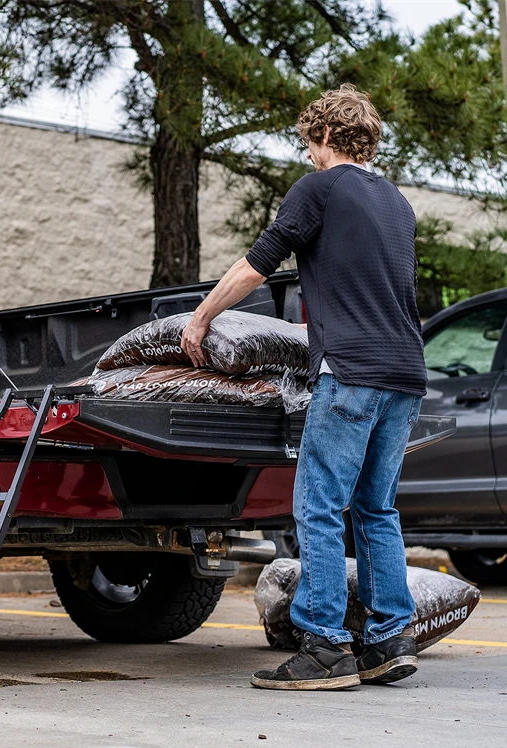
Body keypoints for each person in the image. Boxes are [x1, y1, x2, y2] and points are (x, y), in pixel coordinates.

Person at [181, 84, 426, 690]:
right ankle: (389, 638)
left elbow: (254, 265)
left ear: (323, 136)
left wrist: (201, 317)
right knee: (376, 508)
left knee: (318, 506)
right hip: (405, 374)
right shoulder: (397, 203)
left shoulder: (318, 188)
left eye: (308, 144)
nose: (308, 156)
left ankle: (323, 645)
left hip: (351, 373)